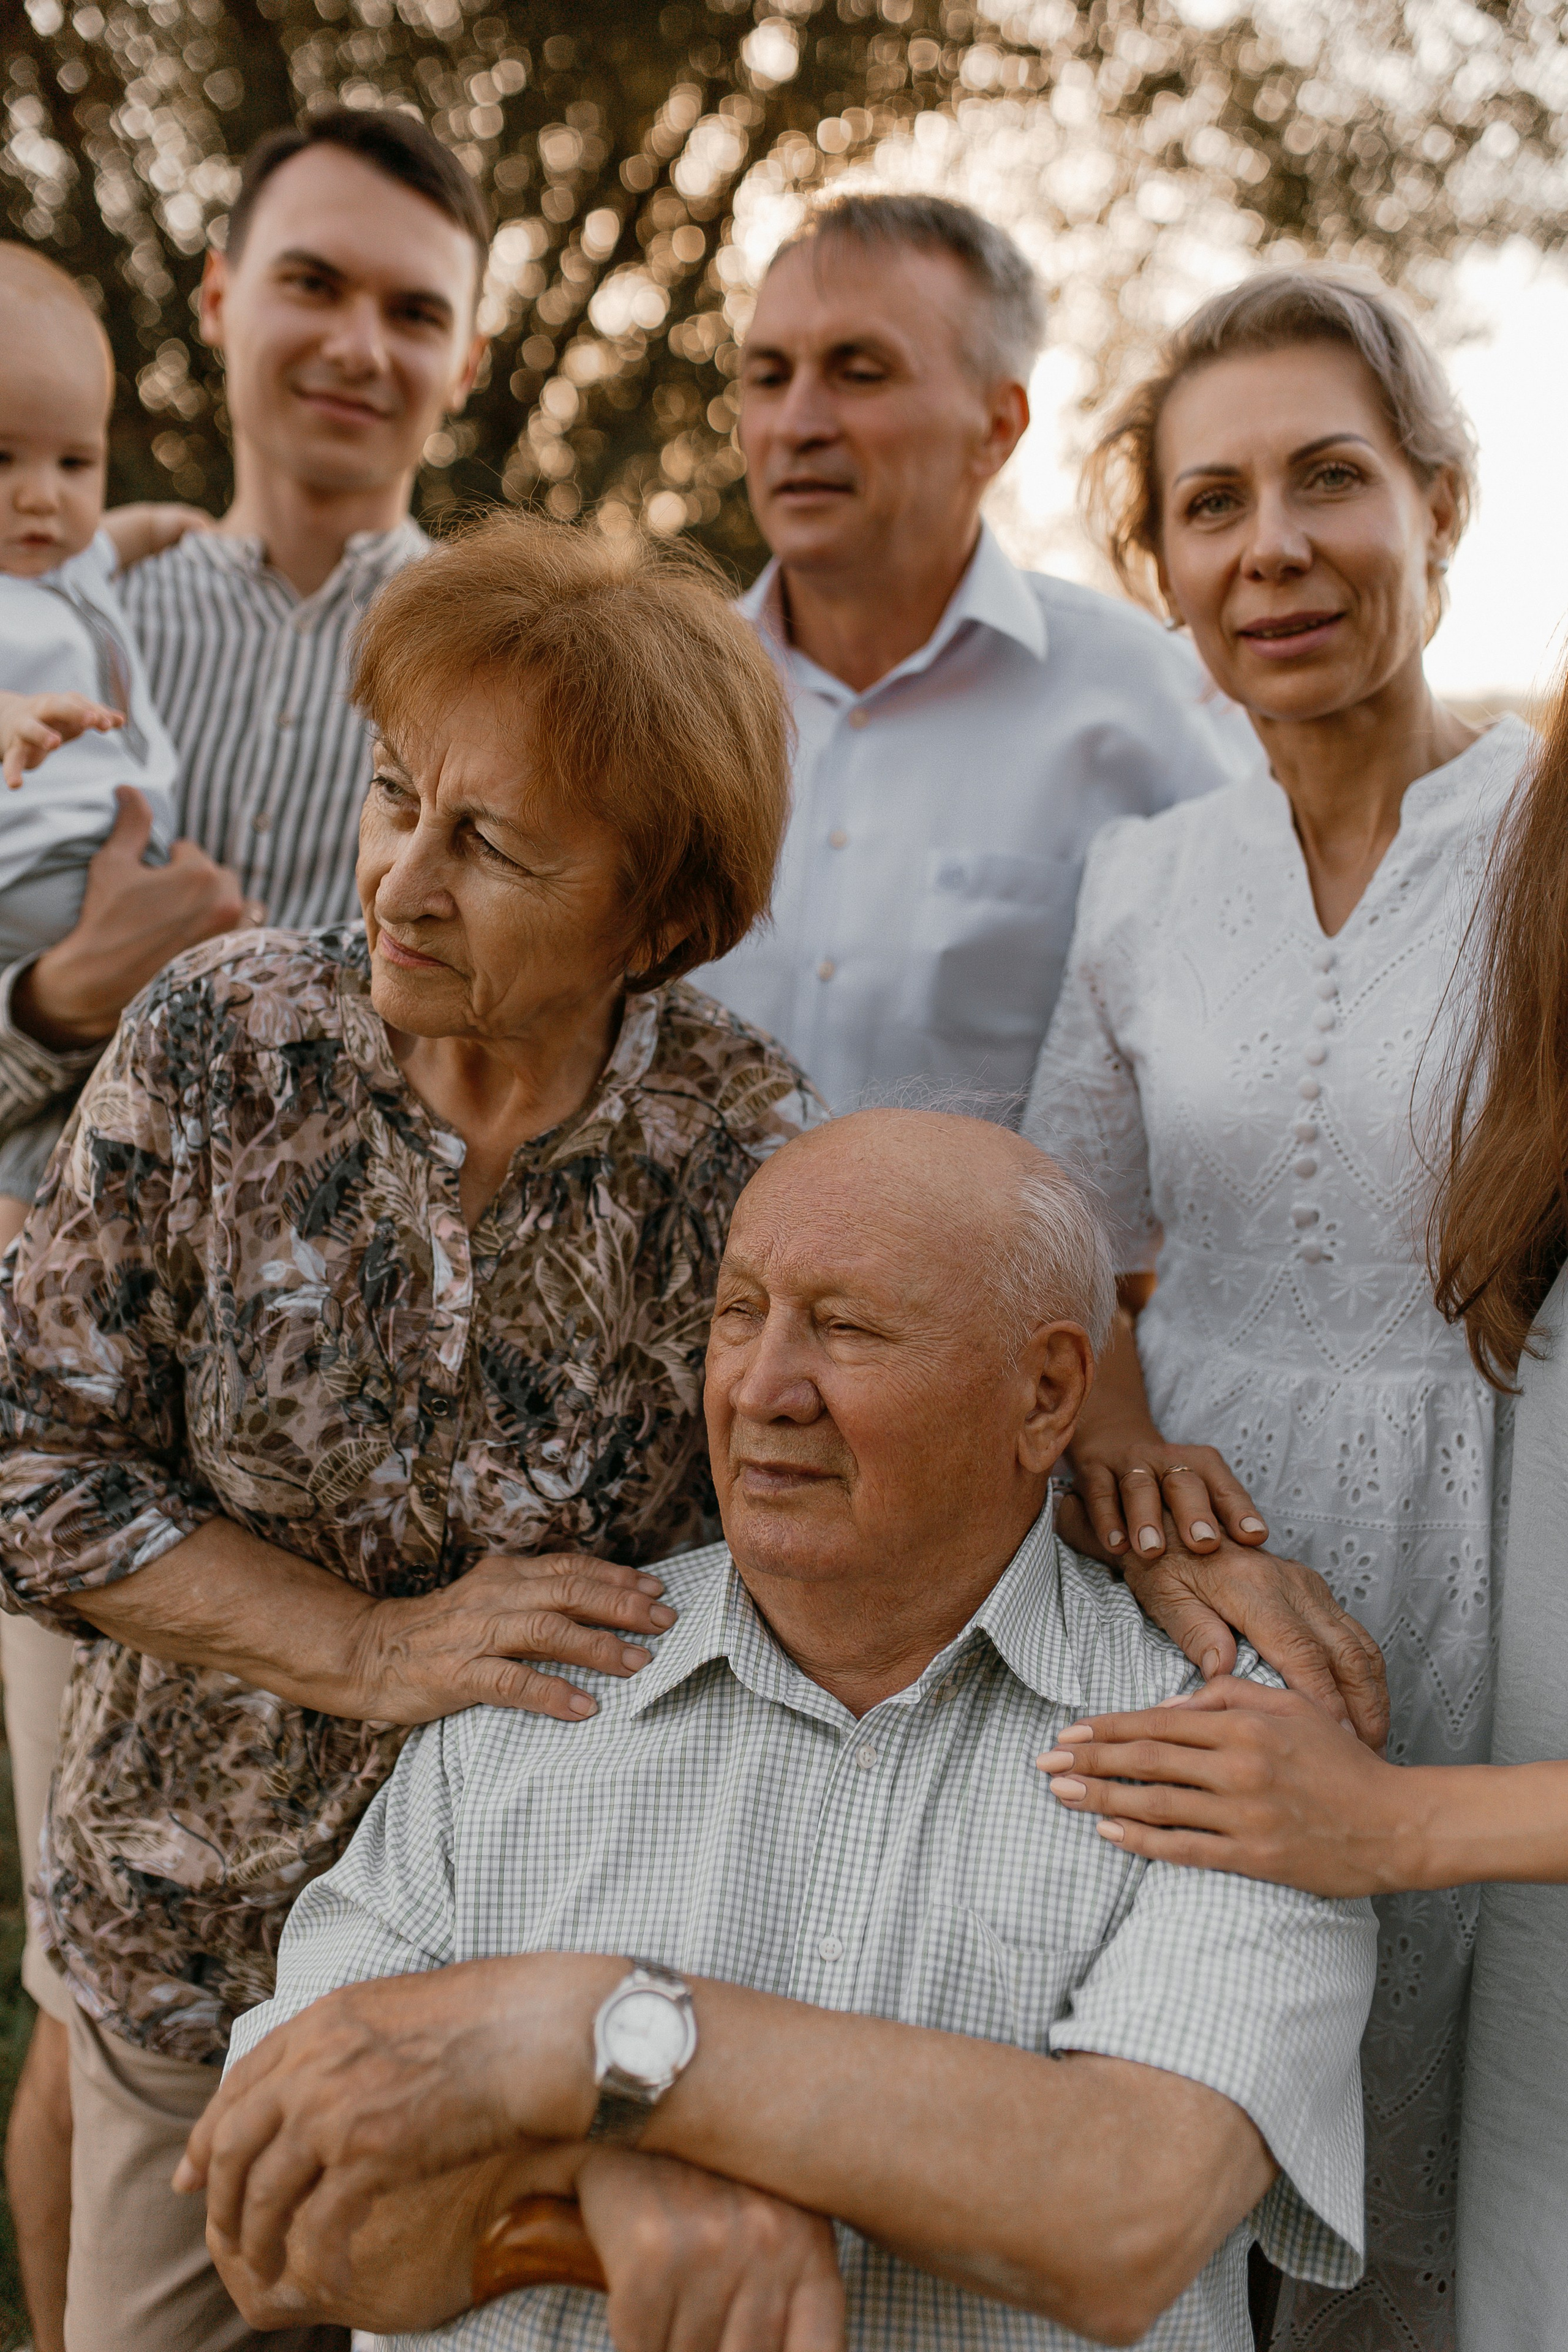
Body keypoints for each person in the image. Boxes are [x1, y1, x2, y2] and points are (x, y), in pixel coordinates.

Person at [0, 511, 817, 2352]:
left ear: (659, 922)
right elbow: (32, 1460)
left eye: (493, 847)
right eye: (394, 801)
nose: (403, 883)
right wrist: (368, 1648)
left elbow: (788, 1564)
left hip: (515, 1998)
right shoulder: (224, 1038)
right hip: (194, 1938)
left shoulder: (741, 1146)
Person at [176, 1110, 1376, 2352]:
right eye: (739, 1313)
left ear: (1047, 1393)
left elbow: (1129, 2212)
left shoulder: (1232, 1748)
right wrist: (586, 2186)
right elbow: (280, 2228)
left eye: (845, 1328)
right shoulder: (533, 1688)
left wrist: (578, 2031)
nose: (760, 1388)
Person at [0, 107, 492, 2350]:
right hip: (100, 1425)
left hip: (394, 1452)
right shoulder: (75, 614)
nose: (358, 345)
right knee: (94, 1987)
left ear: (460, 359)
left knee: (360, 1986)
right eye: (314, 283)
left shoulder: (486, 643)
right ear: (219, 298)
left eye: (414, 310)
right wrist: (53, 1004)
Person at [1020, 268, 1536, 2350]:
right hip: (1196, 1574)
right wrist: (1137, 1465)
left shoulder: (1549, 841)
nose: (1275, 548)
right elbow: (1072, 1246)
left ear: (1438, 503)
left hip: (1504, 1531)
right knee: (1209, 2102)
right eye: (1212, 504)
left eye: (1330, 479)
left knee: (1481, 2128)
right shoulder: (1144, 880)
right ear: (1162, 566)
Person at [686, 192, 1262, 1115]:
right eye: (767, 376)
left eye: (858, 373)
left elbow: (1255, 1046)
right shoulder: (667, 701)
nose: (796, 422)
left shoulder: (1149, 704)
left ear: (997, 426)